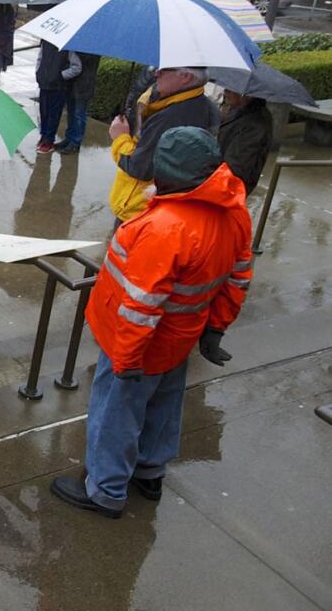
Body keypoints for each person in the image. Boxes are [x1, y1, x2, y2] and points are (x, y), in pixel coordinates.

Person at [51, 127, 252, 518]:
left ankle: (106, 490)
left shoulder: (164, 228)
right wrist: (215, 328)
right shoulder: (234, 212)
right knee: (165, 403)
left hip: (137, 343)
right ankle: (150, 470)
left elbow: (140, 307)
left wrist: (126, 359)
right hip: (182, 335)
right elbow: (239, 275)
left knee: (116, 413)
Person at [108, 66, 220, 224]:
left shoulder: (172, 117)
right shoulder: (203, 105)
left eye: (166, 69)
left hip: (139, 211)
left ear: (186, 77)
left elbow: (140, 168)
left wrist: (119, 138)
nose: (156, 73)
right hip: (163, 212)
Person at [218, 89, 272, 194]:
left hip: (229, 188)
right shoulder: (240, 111)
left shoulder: (254, 123)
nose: (225, 92)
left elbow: (236, 166)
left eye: (230, 90)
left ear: (247, 94)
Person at [56, 50, 99, 154]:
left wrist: (75, 53)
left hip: (84, 84)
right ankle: (69, 138)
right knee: (71, 113)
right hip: (72, 84)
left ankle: (75, 143)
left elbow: (84, 63)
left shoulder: (92, 49)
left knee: (79, 114)